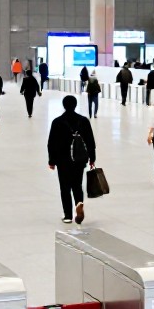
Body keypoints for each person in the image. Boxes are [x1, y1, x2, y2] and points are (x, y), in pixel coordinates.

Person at [43, 95, 97, 224]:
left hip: (63, 160)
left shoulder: (57, 122)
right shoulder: (83, 121)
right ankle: (78, 203)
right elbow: (90, 141)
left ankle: (67, 215)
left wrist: (51, 160)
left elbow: (51, 143)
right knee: (77, 185)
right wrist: (92, 158)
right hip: (79, 159)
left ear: (64, 105)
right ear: (75, 105)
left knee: (64, 187)